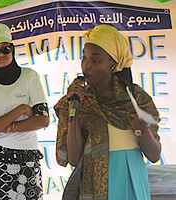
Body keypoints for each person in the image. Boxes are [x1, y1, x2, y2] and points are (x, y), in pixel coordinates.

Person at [54, 24, 161, 200]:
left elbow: (154, 155)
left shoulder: (135, 98)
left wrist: (143, 130)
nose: (86, 66)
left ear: (113, 62)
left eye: (95, 60)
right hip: (95, 185)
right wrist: (73, 109)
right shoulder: (77, 102)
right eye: (84, 58)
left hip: (131, 181)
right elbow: (73, 159)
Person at [0, 23, 50, 200]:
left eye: (5, 49)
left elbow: (42, 120)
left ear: (12, 49)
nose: (1, 55)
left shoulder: (29, 76)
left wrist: (5, 127)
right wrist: (21, 109)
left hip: (28, 158)